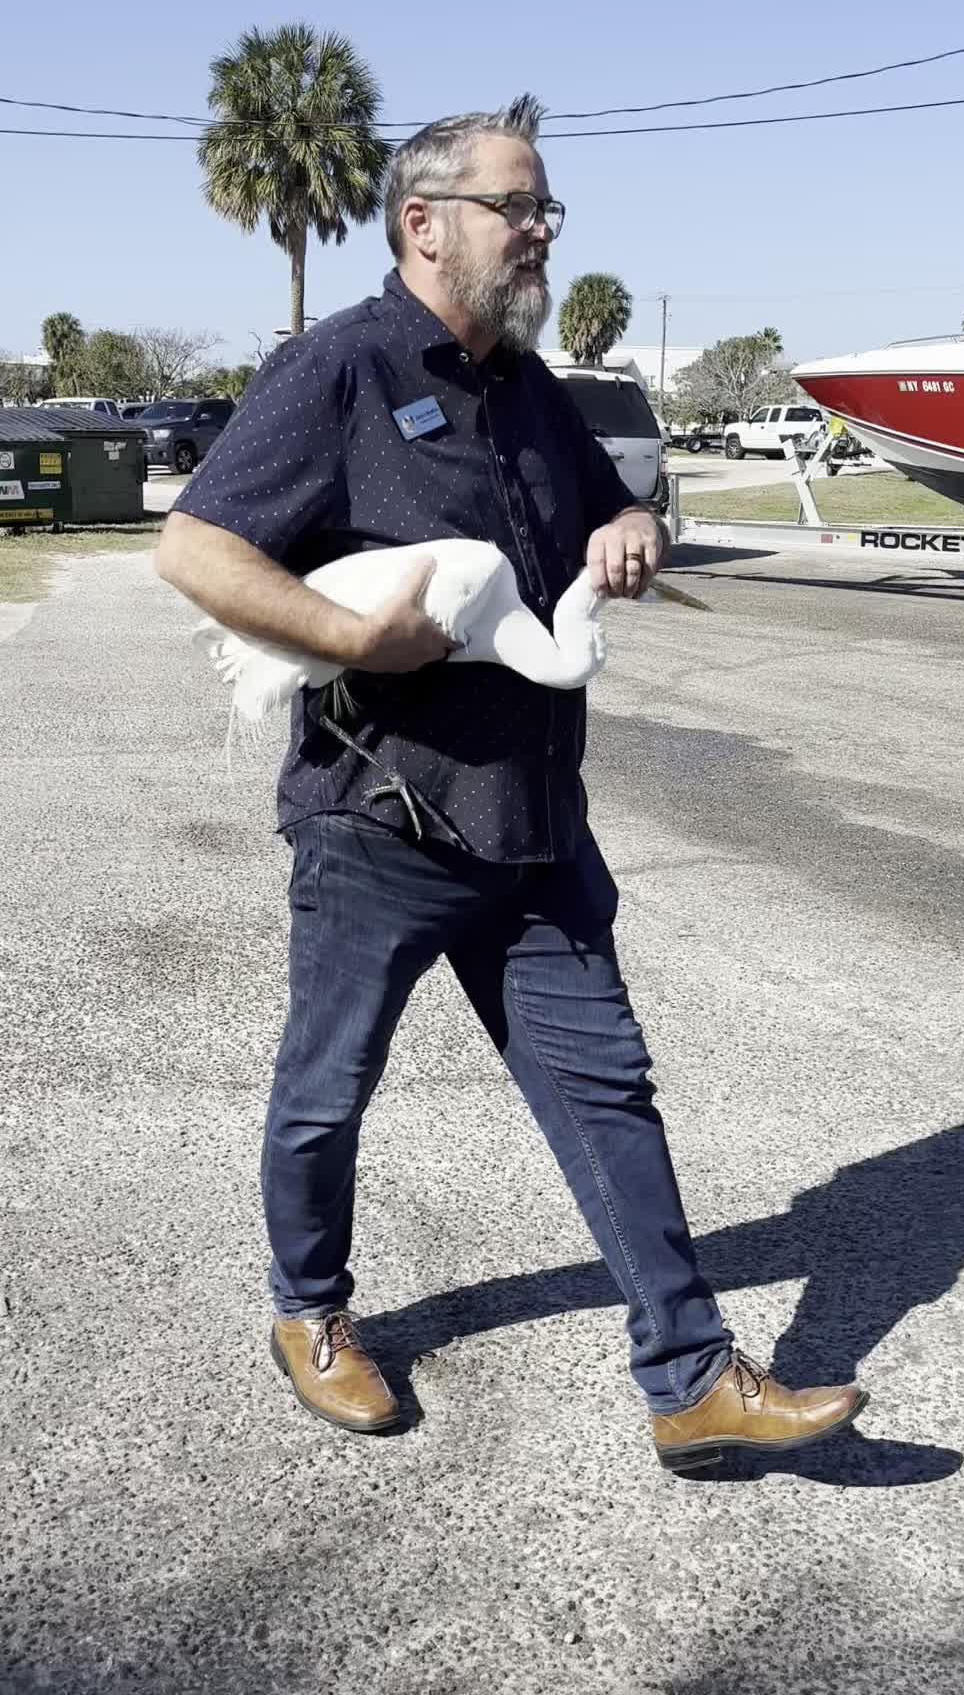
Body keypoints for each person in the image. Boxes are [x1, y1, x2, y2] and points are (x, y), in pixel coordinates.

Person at [156, 95, 868, 1470]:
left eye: (548, 209)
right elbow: (195, 547)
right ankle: (309, 1310)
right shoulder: (342, 367)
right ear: (424, 223)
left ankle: (691, 1377)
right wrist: (354, 638)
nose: (540, 231)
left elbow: (620, 507)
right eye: (517, 207)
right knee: (327, 1091)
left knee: (608, 1093)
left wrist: (633, 528)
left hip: (535, 826)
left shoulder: (532, 387)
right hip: (384, 821)